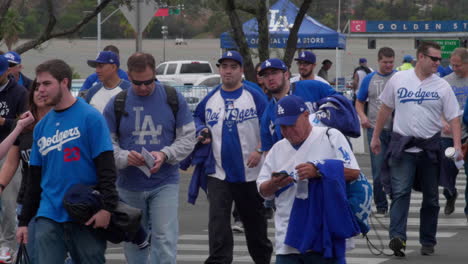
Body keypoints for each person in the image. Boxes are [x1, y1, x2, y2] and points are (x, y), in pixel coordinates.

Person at [16, 59, 119, 264]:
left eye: (47, 84)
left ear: (64, 83)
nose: (40, 89)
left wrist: (107, 208)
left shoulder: (90, 117)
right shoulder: (41, 127)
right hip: (48, 214)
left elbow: (106, 167)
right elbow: (34, 179)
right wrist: (24, 221)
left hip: (85, 212)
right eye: (38, 85)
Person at [370, 41, 462, 257]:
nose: (438, 63)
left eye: (440, 59)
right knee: (400, 192)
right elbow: (385, 109)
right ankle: (398, 239)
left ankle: (428, 241)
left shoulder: (441, 86)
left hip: (430, 147)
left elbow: (454, 118)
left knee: (431, 197)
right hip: (403, 148)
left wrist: (457, 145)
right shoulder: (399, 79)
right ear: (421, 57)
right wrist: (375, 137)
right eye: (434, 59)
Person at [103, 52, 196, 264]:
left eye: (148, 82)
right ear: (128, 76)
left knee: (164, 238)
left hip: (165, 182)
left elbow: (188, 138)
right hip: (129, 185)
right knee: (135, 240)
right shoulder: (117, 103)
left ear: (155, 74)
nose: (144, 87)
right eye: (137, 83)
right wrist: (126, 157)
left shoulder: (173, 98)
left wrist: (165, 154)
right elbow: (107, 146)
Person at [257, 95, 360, 264]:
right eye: (282, 127)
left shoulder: (330, 136)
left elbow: (353, 172)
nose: (287, 131)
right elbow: (263, 190)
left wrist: (319, 170)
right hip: (287, 236)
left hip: (324, 233)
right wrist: (274, 184)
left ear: (306, 116)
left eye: (291, 125)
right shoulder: (277, 149)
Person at [193, 50, 273, 264]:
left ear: (241, 71)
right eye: (224, 66)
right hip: (219, 173)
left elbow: (269, 124)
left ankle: (262, 259)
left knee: (255, 226)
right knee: (218, 224)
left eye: (233, 67)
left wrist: (259, 149)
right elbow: (196, 118)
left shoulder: (254, 95)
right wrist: (201, 130)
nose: (227, 71)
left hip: (250, 173)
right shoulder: (211, 97)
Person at [0, 82, 51, 264]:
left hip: (54, 200)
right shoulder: (26, 125)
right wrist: (1, 185)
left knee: (52, 254)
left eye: (45, 88)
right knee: (30, 256)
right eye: (36, 89)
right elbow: (11, 162)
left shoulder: (62, 122)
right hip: (28, 200)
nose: (40, 93)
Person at [259, 58, 336, 153]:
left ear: (286, 74)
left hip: (326, 154)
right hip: (294, 163)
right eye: (266, 75)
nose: (270, 78)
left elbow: (342, 106)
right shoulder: (267, 115)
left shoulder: (313, 87)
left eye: (274, 73)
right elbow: (269, 152)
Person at [355, 47, 397, 217]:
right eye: (385, 62)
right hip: (375, 130)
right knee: (378, 169)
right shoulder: (370, 79)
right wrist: (362, 116)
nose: (388, 65)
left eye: (391, 62)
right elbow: (359, 102)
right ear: (378, 61)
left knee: (396, 169)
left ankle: (397, 200)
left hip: (397, 130)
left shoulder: (399, 78)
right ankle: (381, 205)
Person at [0, 54, 28, 260]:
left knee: (9, 202)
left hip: (9, 151)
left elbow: (24, 124)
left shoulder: (19, 92)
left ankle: (8, 244)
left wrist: (3, 121)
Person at [440, 48, 468, 218]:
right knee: (448, 172)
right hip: (448, 135)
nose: (454, 68)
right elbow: (438, 107)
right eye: (453, 65)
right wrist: (443, 121)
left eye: (458, 66)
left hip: (467, 134)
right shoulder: (445, 82)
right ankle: (450, 194)